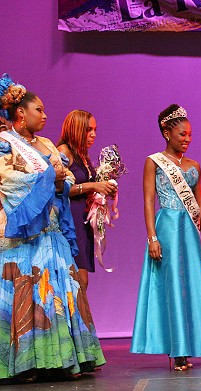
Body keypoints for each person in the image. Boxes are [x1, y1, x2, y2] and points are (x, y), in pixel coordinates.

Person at [0, 74, 105, 381]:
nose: (45, 115)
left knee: (59, 291)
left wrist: (59, 181)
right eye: (39, 110)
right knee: (27, 293)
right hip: (23, 236)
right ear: (21, 113)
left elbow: (66, 178)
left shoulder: (46, 144)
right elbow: (8, 181)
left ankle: (64, 359)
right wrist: (48, 178)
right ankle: (27, 363)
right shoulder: (5, 144)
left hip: (51, 229)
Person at [130, 104, 201, 371]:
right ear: (167, 133)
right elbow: (149, 201)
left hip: (189, 231)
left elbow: (200, 203)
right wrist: (152, 237)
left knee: (189, 284)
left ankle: (189, 345)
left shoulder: (195, 166)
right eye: (182, 134)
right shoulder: (154, 161)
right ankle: (177, 349)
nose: (187, 139)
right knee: (170, 285)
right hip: (167, 228)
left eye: (190, 134)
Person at [57, 110, 118, 292]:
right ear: (75, 129)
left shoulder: (83, 156)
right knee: (76, 280)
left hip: (82, 222)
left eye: (95, 130)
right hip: (69, 221)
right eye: (88, 130)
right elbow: (58, 188)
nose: (93, 135)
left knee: (82, 282)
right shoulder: (63, 152)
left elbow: (86, 187)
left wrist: (103, 191)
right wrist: (93, 186)